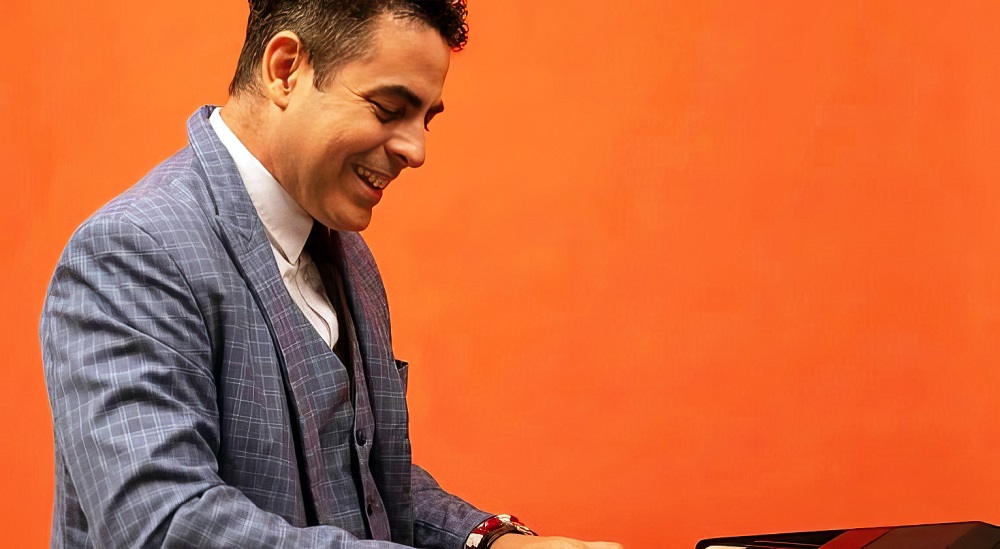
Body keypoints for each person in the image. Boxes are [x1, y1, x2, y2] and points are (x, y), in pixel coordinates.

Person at [40, 1, 623, 548]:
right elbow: (164, 524)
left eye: (426, 119)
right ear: (285, 69)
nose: (416, 150)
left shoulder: (345, 250)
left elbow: (358, 474)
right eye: (389, 109)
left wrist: (488, 539)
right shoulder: (131, 252)